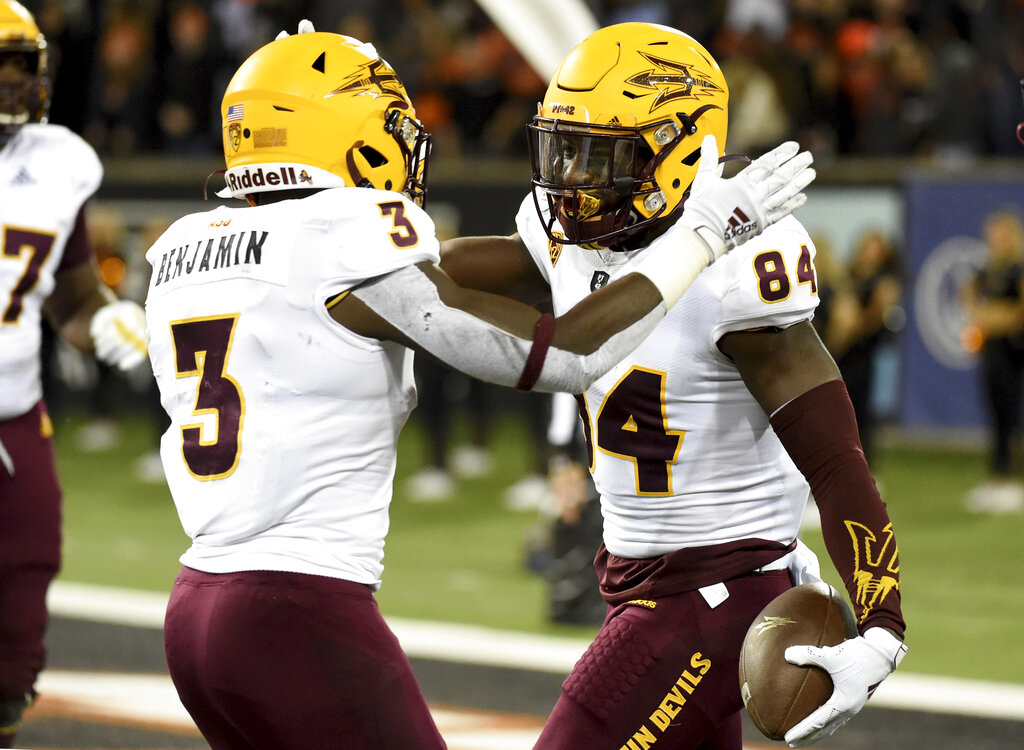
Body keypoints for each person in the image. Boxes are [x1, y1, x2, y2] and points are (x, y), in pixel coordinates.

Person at [142, 21, 814, 750]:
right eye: (388, 126)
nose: (403, 145)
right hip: (297, 607)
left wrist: (289, 76)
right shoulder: (348, 234)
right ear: (349, 137)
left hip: (193, 612)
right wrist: (704, 233)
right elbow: (571, 354)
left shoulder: (187, 246)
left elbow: (341, 268)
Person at [438, 22, 906, 750]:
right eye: (564, 149)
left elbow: (835, 457)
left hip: (711, 596)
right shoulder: (571, 232)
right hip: (643, 581)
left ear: (680, 152)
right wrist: (363, 255)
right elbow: (467, 269)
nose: (574, 181)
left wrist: (883, 627)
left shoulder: (740, 257)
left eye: (601, 158)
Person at [0, 2, 148, 746]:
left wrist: (107, 322)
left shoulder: (57, 161)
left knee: (19, 615)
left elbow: (72, 294)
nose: (11, 83)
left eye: (19, 65)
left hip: (16, 414)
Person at [960, 209, 1024, 514]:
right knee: (996, 410)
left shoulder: (1017, 269)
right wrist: (981, 314)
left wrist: (993, 319)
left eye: (999, 234)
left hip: (1015, 351)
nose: (993, 240)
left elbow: (1019, 314)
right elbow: (967, 294)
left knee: (1012, 412)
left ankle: (1012, 478)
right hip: (992, 352)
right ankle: (997, 477)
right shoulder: (989, 270)